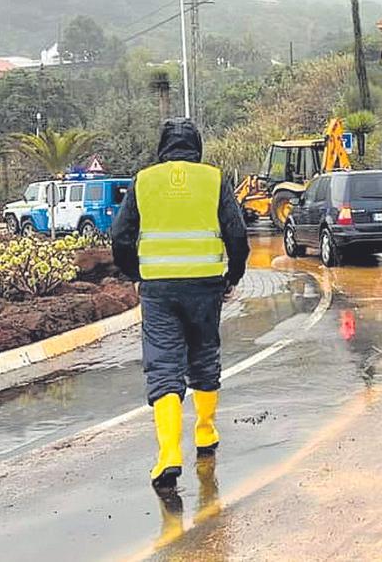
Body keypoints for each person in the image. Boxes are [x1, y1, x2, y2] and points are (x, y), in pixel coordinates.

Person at [111, 118, 250, 489]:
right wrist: (231, 277)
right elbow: (236, 234)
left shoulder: (144, 180)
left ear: (162, 147)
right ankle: (205, 431)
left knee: (163, 365)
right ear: (197, 147)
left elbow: (120, 237)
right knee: (204, 354)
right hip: (205, 286)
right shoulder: (214, 179)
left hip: (159, 289)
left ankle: (168, 454)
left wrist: (136, 274)